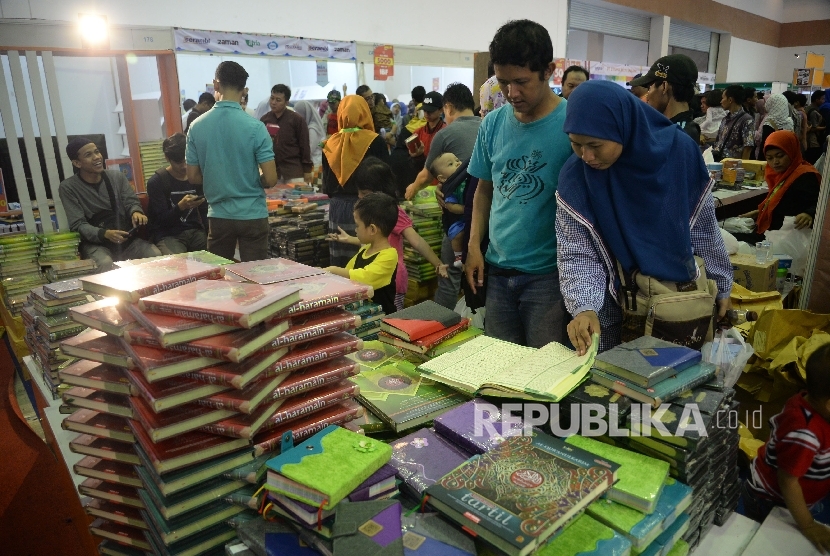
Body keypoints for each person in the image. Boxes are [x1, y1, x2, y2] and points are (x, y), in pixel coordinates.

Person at [557, 80, 733, 354]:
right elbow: (577, 251)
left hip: (678, 301)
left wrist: (721, 285)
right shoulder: (576, 177)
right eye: (576, 144)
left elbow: (703, 230)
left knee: (673, 383)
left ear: (623, 126)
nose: (586, 156)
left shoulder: (679, 153)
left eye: (595, 145)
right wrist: (584, 307)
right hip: (614, 303)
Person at [465, 19, 573, 348]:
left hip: (548, 276)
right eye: (503, 82)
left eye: (522, 82)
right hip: (496, 272)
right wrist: (473, 246)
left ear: (549, 71)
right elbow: (485, 190)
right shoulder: (493, 124)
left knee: (545, 374)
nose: (512, 93)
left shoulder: (572, 125)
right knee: (500, 372)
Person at [327, 157, 447, 311]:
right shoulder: (370, 232)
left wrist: (438, 264)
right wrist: (350, 239)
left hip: (392, 280)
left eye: (364, 193)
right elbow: (372, 241)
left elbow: (416, 242)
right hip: (375, 277)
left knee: (391, 315)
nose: (359, 196)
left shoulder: (392, 214)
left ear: (379, 192)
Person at [186, 61, 278, 262]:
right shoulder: (256, 127)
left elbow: (192, 176)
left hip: (219, 216)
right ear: (245, 90)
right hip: (253, 215)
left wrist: (218, 177)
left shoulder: (196, 126)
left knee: (219, 280)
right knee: (256, 280)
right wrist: (252, 179)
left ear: (215, 85)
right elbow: (270, 179)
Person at [745, 344, 830, 553]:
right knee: (767, 543)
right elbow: (788, 481)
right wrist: (808, 525)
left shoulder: (815, 405)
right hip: (770, 498)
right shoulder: (805, 433)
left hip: (800, 486)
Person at [404, 83, 481, 309]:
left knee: (449, 275)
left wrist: (411, 191)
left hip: (457, 218)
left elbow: (426, 176)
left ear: (447, 108)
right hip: (488, 216)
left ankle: (442, 326)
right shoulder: (489, 127)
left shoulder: (445, 134)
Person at [59, 138, 161, 271]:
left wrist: (136, 212)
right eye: (88, 155)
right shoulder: (68, 188)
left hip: (126, 240)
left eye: (97, 152)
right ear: (77, 163)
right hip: (96, 244)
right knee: (105, 263)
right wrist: (104, 234)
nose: (96, 157)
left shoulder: (116, 177)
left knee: (155, 255)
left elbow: (131, 202)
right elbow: (78, 225)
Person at [322, 95, 390, 266]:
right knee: (366, 260)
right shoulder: (375, 141)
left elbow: (327, 186)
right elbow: (385, 179)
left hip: (337, 208)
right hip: (368, 207)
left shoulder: (329, 143)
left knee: (341, 261)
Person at [736, 130, 821, 245]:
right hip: (774, 232)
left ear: (791, 152)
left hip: (784, 238)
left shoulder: (805, 176)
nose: (775, 162)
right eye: (769, 158)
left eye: (780, 156)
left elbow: (820, 203)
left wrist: (809, 213)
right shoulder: (782, 174)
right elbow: (785, 202)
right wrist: (761, 211)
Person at [324, 192, 399, 315]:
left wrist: (333, 270)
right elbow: (347, 275)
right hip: (362, 314)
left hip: (382, 319)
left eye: (357, 226)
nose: (355, 229)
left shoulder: (389, 255)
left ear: (372, 229)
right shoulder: (365, 250)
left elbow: (365, 277)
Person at [146, 133, 207, 255]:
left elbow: (205, 211)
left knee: (217, 255)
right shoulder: (157, 182)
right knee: (178, 264)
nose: (184, 166)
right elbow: (160, 221)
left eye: (187, 160)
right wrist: (180, 207)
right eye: (179, 162)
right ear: (167, 158)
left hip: (195, 231)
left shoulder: (196, 177)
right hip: (169, 235)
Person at [630, 54, 701, 145]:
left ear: (664, 87)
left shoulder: (678, 135)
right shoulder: (679, 129)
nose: (647, 96)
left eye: (649, 88)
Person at [260, 84, 313, 186]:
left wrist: (307, 170)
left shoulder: (296, 120)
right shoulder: (265, 120)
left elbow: (304, 145)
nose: (273, 102)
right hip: (273, 172)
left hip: (294, 171)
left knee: (298, 200)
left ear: (286, 102)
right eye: (272, 98)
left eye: (278, 100)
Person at [431, 152, 468, 268]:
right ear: (441, 178)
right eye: (451, 164)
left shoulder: (467, 176)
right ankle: (458, 255)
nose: (457, 163)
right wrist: (467, 209)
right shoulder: (448, 188)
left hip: (470, 218)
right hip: (458, 220)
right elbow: (450, 206)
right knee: (457, 235)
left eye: (457, 160)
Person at [408, 91, 447, 178]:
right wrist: (416, 156)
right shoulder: (417, 133)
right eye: (425, 110)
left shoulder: (446, 132)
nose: (426, 114)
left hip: (440, 180)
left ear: (441, 110)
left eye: (430, 111)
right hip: (421, 178)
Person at [713, 84, 755, 160]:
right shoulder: (725, 119)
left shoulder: (747, 120)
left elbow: (748, 148)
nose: (721, 101)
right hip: (719, 161)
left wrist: (743, 167)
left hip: (734, 166)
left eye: (723, 98)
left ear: (730, 100)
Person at [754, 94, 793, 160]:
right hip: (786, 157)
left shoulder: (769, 123)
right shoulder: (789, 121)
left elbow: (765, 146)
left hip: (772, 159)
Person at [294, 100, 325, 169]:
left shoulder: (313, 129)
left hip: (315, 164)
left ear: (304, 113)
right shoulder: (308, 126)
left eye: (298, 113)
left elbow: (309, 149)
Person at [806, 90, 827, 164]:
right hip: (813, 141)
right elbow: (814, 128)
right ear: (817, 100)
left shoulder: (808, 108)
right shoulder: (813, 112)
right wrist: (825, 128)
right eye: (822, 99)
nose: (824, 101)